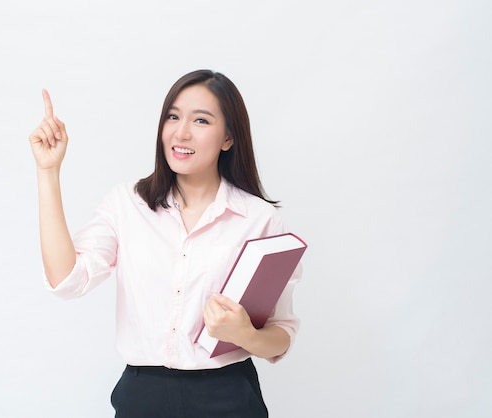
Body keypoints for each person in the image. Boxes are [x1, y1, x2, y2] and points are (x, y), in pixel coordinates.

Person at [28, 69, 302, 417]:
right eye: (173, 116)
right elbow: (66, 280)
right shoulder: (127, 204)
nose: (181, 132)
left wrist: (245, 334)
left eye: (201, 120)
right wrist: (48, 173)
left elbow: (281, 333)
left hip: (227, 397)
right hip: (143, 397)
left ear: (228, 138)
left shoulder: (259, 220)